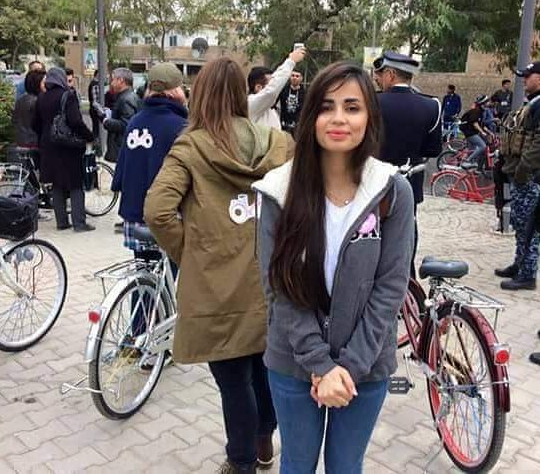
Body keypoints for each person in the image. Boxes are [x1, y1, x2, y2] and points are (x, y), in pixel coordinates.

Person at [253, 61, 415, 473]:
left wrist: (349, 367)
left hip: (366, 365)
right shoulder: (278, 190)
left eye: (352, 107)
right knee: (297, 463)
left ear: (369, 117)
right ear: (310, 117)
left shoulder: (392, 192)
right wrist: (320, 365)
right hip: (293, 362)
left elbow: (391, 287)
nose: (339, 118)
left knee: (345, 465)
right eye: (326, 107)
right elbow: (278, 285)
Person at [144, 57, 295, 474]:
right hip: (270, 278)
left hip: (216, 287)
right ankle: (263, 440)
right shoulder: (280, 144)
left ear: (203, 95)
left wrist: (191, 254)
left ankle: (240, 461)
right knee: (264, 368)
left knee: (232, 380)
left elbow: (157, 211)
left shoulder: (191, 146)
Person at [373, 51, 441, 276]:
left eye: (380, 74)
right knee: (406, 229)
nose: (377, 79)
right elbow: (433, 150)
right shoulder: (431, 106)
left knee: (370, 230)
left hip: (374, 182)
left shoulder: (372, 102)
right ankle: (406, 277)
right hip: (410, 180)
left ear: (391, 74)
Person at [112, 62, 188, 258]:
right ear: (176, 90)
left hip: (134, 211)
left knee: (143, 270)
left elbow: (121, 170)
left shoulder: (135, 121)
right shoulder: (182, 126)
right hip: (167, 216)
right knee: (173, 272)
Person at [33, 68, 95, 232]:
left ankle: (61, 222)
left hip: (48, 145)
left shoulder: (41, 98)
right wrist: (89, 136)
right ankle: (79, 223)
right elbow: (75, 121)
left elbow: (35, 124)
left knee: (57, 184)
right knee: (75, 184)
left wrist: (45, 135)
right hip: (68, 146)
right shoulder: (68, 96)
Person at [496, 61, 540, 290]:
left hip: (529, 177)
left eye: (528, 76)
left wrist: (523, 169)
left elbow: (538, 143)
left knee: (529, 226)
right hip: (521, 174)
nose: (524, 80)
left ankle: (527, 274)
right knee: (520, 223)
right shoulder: (533, 102)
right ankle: (519, 264)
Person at [248, 47, 306, 129]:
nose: (275, 84)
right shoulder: (251, 104)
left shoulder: (268, 109)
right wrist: (291, 61)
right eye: (270, 83)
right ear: (258, 87)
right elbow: (272, 90)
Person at [102, 67, 140, 163]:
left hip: (121, 148)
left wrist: (106, 121)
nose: (111, 84)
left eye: (113, 79)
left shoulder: (126, 99)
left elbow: (126, 124)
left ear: (121, 80)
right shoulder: (127, 96)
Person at [12, 69, 46, 150]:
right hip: (34, 143)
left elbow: (14, 120)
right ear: (37, 83)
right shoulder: (38, 101)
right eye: (44, 83)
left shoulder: (20, 100)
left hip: (21, 142)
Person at [460, 94, 494, 169]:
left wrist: (490, 132)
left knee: (472, 150)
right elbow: (475, 124)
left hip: (472, 133)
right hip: (470, 133)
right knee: (483, 146)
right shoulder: (475, 111)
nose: (488, 103)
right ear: (483, 103)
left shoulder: (481, 112)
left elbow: (482, 125)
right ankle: (468, 161)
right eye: (487, 102)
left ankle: (471, 168)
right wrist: (482, 132)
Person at [278, 69, 306, 134]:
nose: (294, 78)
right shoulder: (283, 90)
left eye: (297, 76)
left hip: (297, 126)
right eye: (292, 75)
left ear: (301, 78)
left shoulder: (305, 93)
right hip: (283, 124)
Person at [87, 70, 101, 141]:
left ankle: (95, 142)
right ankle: (96, 143)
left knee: (96, 128)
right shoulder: (95, 84)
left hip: (94, 109)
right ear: (97, 74)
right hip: (95, 110)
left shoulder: (95, 84)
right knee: (96, 129)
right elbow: (95, 100)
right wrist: (100, 110)